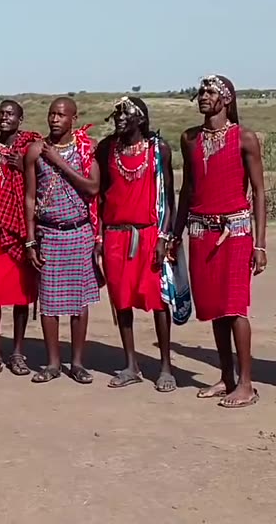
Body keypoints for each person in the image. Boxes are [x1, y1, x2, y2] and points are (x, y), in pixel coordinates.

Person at [170, 75, 267, 409]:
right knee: (213, 308)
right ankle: (226, 377)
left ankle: (246, 383)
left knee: (235, 307)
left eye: (210, 92)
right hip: (200, 232)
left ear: (227, 99)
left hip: (236, 232)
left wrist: (260, 244)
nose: (203, 97)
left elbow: (258, 191)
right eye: (200, 91)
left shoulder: (245, 139)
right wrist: (173, 232)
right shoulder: (189, 139)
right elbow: (188, 190)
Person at [95, 97, 179, 392]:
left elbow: (169, 197)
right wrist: (100, 238)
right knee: (121, 302)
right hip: (116, 235)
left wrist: (164, 237)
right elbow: (101, 195)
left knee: (158, 301)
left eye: (126, 113)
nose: (119, 117)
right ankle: (130, 364)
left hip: (148, 235)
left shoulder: (159, 149)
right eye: (116, 112)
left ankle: (166, 366)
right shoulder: (106, 149)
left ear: (141, 119)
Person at [24, 97, 101, 385]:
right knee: (50, 301)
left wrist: (57, 162)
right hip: (49, 232)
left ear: (73, 118)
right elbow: (30, 197)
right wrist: (31, 240)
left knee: (80, 302)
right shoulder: (34, 151)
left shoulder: (85, 150)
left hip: (79, 232)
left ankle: (78, 363)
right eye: (51, 114)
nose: (54, 119)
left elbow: (93, 188)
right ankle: (53, 362)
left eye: (61, 115)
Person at [0, 100, 41, 379]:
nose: (4, 118)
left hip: (19, 230)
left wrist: (24, 165)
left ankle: (16, 352)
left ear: (20, 119)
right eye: (0, 113)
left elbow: (40, 185)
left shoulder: (29, 150)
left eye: (10, 114)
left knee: (21, 296)